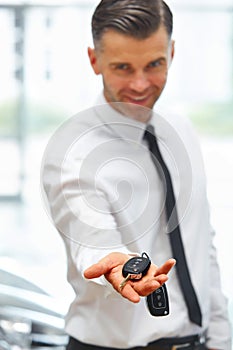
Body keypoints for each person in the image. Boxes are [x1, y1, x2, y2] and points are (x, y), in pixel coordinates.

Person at [41, 1, 232, 349]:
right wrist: (116, 262)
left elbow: (202, 244)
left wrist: (220, 338)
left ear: (171, 53)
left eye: (154, 64)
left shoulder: (181, 130)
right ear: (94, 60)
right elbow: (88, 234)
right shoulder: (73, 151)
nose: (141, 84)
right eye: (123, 67)